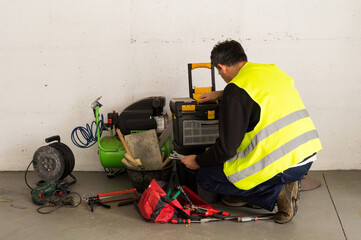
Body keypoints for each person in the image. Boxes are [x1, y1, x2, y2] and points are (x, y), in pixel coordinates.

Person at [180, 40, 322, 224]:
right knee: (232, 168)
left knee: (206, 177)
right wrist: (221, 93)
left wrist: (197, 161)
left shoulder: (236, 91)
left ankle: (278, 193)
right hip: (306, 156)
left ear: (221, 67)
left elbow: (225, 150)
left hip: (283, 166)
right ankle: (249, 194)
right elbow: (256, 91)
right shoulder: (271, 70)